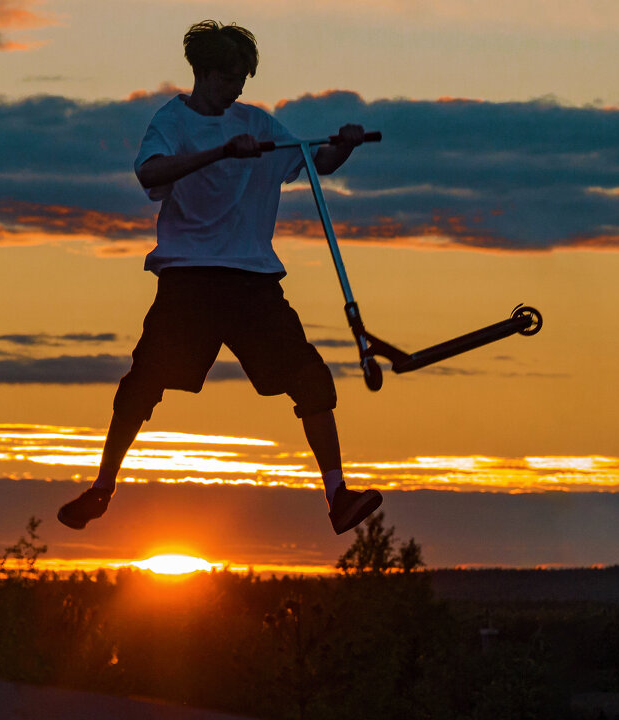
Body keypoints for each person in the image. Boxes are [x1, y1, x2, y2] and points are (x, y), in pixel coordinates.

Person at [57, 20, 382, 535]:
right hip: (190, 283)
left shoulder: (260, 124)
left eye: (242, 79)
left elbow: (317, 162)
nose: (237, 89)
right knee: (142, 384)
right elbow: (150, 173)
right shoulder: (171, 122)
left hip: (252, 284)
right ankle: (102, 489)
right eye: (228, 78)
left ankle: (339, 496)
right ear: (202, 73)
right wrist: (222, 152)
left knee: (312, 382)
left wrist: (344, 145)